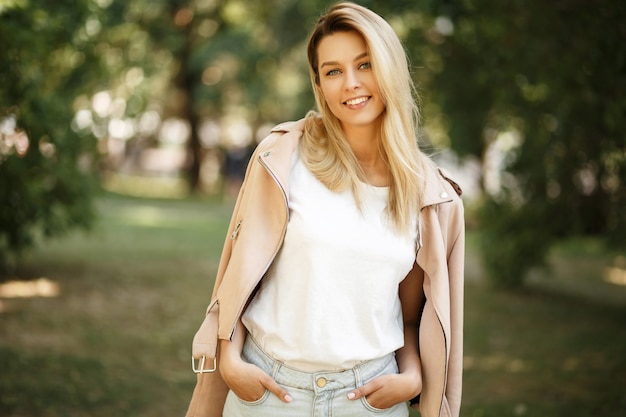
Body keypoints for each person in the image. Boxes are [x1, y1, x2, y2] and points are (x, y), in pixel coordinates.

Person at [186, 2, 465, 417]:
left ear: (389, 69)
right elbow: (240, 276)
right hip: (268, 393)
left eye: (365, 64)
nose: (350, 83)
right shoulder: (283, 156)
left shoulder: (430, 197)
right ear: (319, 83)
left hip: (369, 402)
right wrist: (229, 359)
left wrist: (411, 376)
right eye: (333, 71)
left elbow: (410, 317)